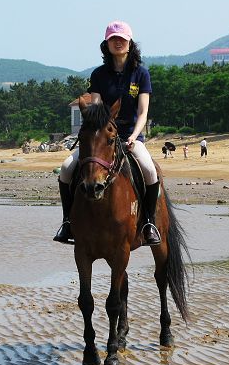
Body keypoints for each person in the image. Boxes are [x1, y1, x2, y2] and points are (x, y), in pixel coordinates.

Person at [54, 20, 161, 246]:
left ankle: (149, 222)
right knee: (66, 169)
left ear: (130, 43)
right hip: (102, 139)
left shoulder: (141, 74)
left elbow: (143, 112)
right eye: (113, 40)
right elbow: (96, 107)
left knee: (150, 171)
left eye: (122, 39)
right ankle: (67, 223)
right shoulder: (99, 75)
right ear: (107, 44)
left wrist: (133, 136)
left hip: (131, 138)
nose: (118, 43)